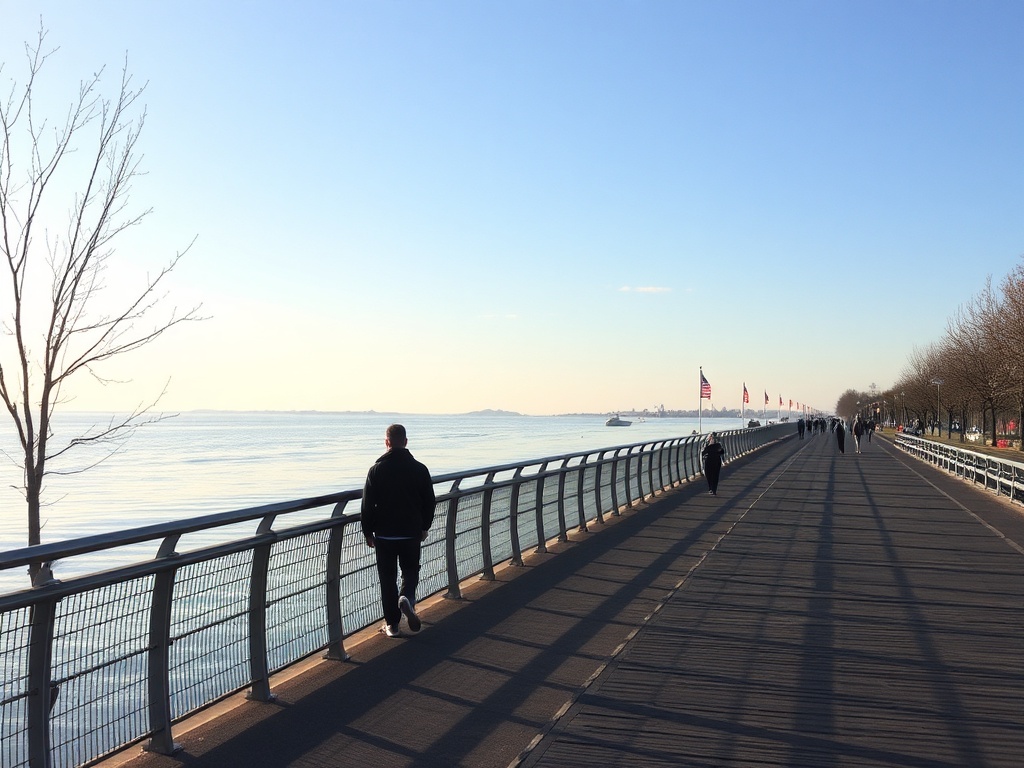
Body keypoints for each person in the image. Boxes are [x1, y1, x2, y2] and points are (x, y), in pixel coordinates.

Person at [361, 424, 436, 638]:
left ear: (387, 443)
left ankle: (392, 626)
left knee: (387, 578)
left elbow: (367, 505)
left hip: (384, 534)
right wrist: (424, 526)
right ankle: (407, 598)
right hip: (411, 531)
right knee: (410, 571)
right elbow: (429, 502)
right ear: (405, 442)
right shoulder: (420, 469)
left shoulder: (376, 470)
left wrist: (368, 531)